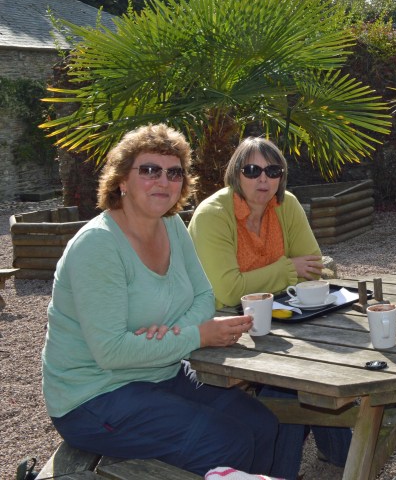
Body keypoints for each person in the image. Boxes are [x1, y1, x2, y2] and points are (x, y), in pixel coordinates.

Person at [41, 124, 278, 477]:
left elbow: (203, 295)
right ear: (122, 180)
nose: (163, 181)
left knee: (262, 424)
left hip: (158, 372)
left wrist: (171, 333)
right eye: (149, 170)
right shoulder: (98, 246)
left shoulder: (171, 226)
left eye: (174, 172)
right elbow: (112, 352)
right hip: (94, 396)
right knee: (226, 442)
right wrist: (195, 336)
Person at [188, 136, 351, 479]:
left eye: (272, 170)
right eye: (252, 170)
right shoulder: (213, 215)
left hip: (279, 311)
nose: (263, 179)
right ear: (236, 173)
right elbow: (228, 289)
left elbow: (316, 267)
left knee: (325, 353)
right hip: (220, 322)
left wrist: (276, 276)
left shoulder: (286, 204)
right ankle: (287, 472)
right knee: (287, 378)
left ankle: (342, 456)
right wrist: (286, 269)